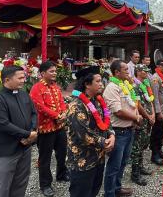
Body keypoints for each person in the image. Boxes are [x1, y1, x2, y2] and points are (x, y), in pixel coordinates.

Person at [0, 65, 38, 197]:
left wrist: (32, 131)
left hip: (24, 147)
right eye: (20, 78)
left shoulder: (24, 94)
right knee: (1, 188)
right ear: (7, 80)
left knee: (20, 183)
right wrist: (27, 134)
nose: (23, 80)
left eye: (24, 77)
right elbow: (4, 125)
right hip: (5, 151)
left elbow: (33, 113)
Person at [66, 66, 115, 197]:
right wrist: (105, 142)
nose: (101, 84)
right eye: (98, 81)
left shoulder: (97, 100)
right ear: (87, 84)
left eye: (101, 81)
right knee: (81, 193)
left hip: (98, 158)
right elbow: (83, 134)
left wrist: (112, 135)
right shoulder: (76, 105)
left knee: (94, 190)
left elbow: (106, 121)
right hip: (83, 161)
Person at [103, 60, 143, 197]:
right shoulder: (111, 87)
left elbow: (132, 104)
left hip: (129, 130)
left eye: (128, 69)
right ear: (116, 72)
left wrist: (136, 117)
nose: (128, 71)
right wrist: (136, 118)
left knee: (123, 163)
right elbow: (118, 111)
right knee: (114, 165)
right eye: (125, 69)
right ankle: (109, 193)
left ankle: (117, 188)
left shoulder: (126, 84)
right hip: (118, 132)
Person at [29, 61, 69, 197]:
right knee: (45, 158)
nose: (54, 73)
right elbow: (40, 107)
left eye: (55, 71)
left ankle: (61, 174)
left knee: (62, 153)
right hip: (45, 128)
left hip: (60, 126)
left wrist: (63, 114)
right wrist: (58, 115)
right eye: (51, 71)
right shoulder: (36, 88)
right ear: (42, 73)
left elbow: (62, 102)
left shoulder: (55, 87)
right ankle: (45, 184)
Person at [131, 64, 156, 186]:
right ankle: (135, 173)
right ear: (138, 71)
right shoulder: (134, 86)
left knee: (143, 145)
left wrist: (153, 115)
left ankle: (140, 167)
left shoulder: (145, 84)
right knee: (137, 147)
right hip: (141, 120)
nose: (147, 73)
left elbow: (150, 100)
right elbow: (138, 105)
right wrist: (148, 116)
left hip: (148, 120)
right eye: (145, 71)